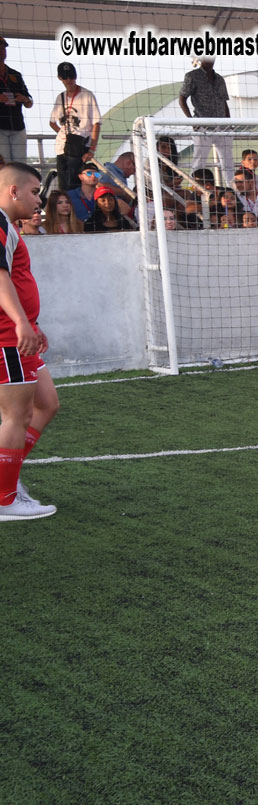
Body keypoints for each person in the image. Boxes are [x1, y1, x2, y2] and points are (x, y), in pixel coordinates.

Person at [0, 162, 60, 520]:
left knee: (47, 404)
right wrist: (21, 323)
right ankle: (5, 500)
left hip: (21, 333)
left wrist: (32, 324)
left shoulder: (7, 226)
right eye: (35, 191)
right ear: (13, 191)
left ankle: (5, 479)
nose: (39, 199)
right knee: (16, 414)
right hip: (9, 337)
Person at [49, 62, 101, 193]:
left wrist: (92, 148)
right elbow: (52, 122)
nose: (69, 80)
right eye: (65, 77)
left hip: (80, 146)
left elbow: (97, 122)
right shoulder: (60, 97)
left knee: (75, 184)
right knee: (63, 185)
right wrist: (64, 134)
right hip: (62, 146)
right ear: (60, 78)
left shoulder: (87, 95)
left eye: (72, 77)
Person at [178, 57, 232, 183]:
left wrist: (229, 123)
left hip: (222, 126)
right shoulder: (192, 76)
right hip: (202, 125)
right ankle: (198, 190)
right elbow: (182, 99)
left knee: (228, 162)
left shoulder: (219, 79)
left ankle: (233, 191)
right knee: (199, 162)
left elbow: (224, 102)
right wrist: (191, 121)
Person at [0, 38, 33, 165]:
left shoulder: (15, 75)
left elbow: (29, 102)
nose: (1, 51)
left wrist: (24, 99)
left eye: (3, 48)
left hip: (17, 125)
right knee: (4, 165)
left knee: (20, 164)